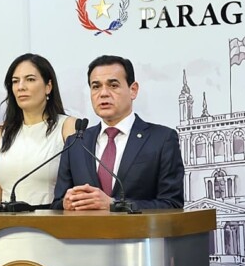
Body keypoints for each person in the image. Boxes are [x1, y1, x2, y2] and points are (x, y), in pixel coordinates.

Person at [51, 55, 184, 210]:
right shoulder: (76, 143)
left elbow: (172, 205)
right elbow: (57, 205)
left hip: (139, 234)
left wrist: (114, 205)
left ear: (133, 90)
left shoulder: (161, 139)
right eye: (96, 86)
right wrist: (66, 204)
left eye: (113, 85)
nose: (103, 93)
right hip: (86, 234)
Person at [0, 53, 76, 207]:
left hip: (53, 222)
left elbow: (78, 183)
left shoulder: (67, 126)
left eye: (30, 79)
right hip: (5, 225)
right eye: (15, 81)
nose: (21, 87)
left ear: (48, 86)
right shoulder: (0, 132)